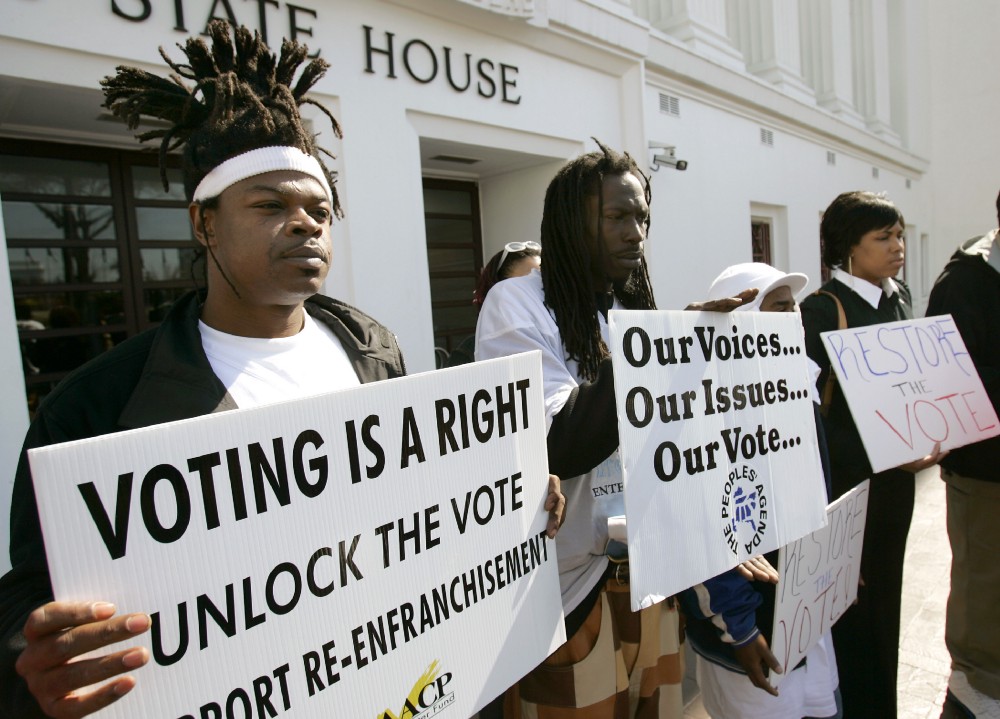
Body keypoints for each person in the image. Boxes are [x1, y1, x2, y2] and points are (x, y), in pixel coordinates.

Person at [0, 22, 565, 719]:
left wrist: (507, 491)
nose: (305, 225)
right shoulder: (92, 410)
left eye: (320, 210)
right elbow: (28, 603)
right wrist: (38, 663)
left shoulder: (373, 348)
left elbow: (422, 508)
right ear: (203, 223)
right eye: (270, 205)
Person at [475, 141, 755, 718]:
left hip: (654, 584)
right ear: (574, 219)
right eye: (617, 216)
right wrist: (660, 349)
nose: (636, 233)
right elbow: (559, 441)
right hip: (576, 597)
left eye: (642, 217)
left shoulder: (633, 311)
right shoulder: (516, 303)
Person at [799, 191, 945, 719]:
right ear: (847, 247)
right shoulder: (821, 310)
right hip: (850, 491)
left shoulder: (899, 297)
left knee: (887, 605)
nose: (898, 246)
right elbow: (808, 420)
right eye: (883, 237)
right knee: (851, 619)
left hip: (896, 488)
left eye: (900, 235)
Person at [680, 262, 841, 719]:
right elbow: (698, 526)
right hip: (751, 630)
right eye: (777, 307)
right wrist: (741, 628)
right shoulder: (702, 408)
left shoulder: (797, 383)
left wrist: (833, 556)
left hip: (804, 614)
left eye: (793, 307)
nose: (792, 318)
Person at [926, 189, 1000, 719]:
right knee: (983, 578)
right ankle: (979, 684)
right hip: (984, 469)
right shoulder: (966, 280)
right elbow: (945, 380)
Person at [445, 241, 541, 368]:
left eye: (540, 281)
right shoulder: (469, 352)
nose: (537, 291)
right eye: (524, 284)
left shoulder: (563, 342)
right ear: (495, 292)